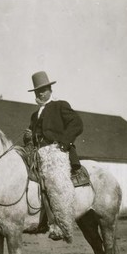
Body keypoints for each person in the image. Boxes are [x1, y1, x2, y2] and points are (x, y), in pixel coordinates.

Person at [24, 71, 86, 242]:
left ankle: (61, 225)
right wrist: (28, 137)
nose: (40, 93)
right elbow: (32, 139)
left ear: (50, 89)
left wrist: (63, 143)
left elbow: (77, 124)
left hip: (56, 152)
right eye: (37, 91)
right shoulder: (34, 115)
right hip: (37, 154)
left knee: (55, 182)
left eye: (43, 90)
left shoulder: (60, 106)